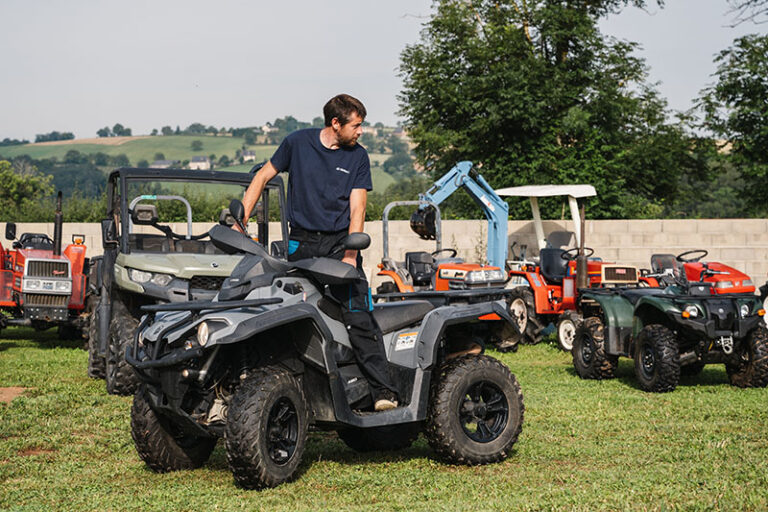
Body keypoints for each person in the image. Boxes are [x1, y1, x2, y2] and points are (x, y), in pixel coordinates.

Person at [240, 93, 399, 411]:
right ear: (335, 123)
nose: (361, 132)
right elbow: (262, 176)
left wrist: (351, 255)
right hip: (301, 245)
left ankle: (384, 392)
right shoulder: (296, 143)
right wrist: (238, 222)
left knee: (358, 316)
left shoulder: (358, 157)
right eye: (356, 125)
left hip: (342, 244)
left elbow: (358, 207)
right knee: (292, 312)